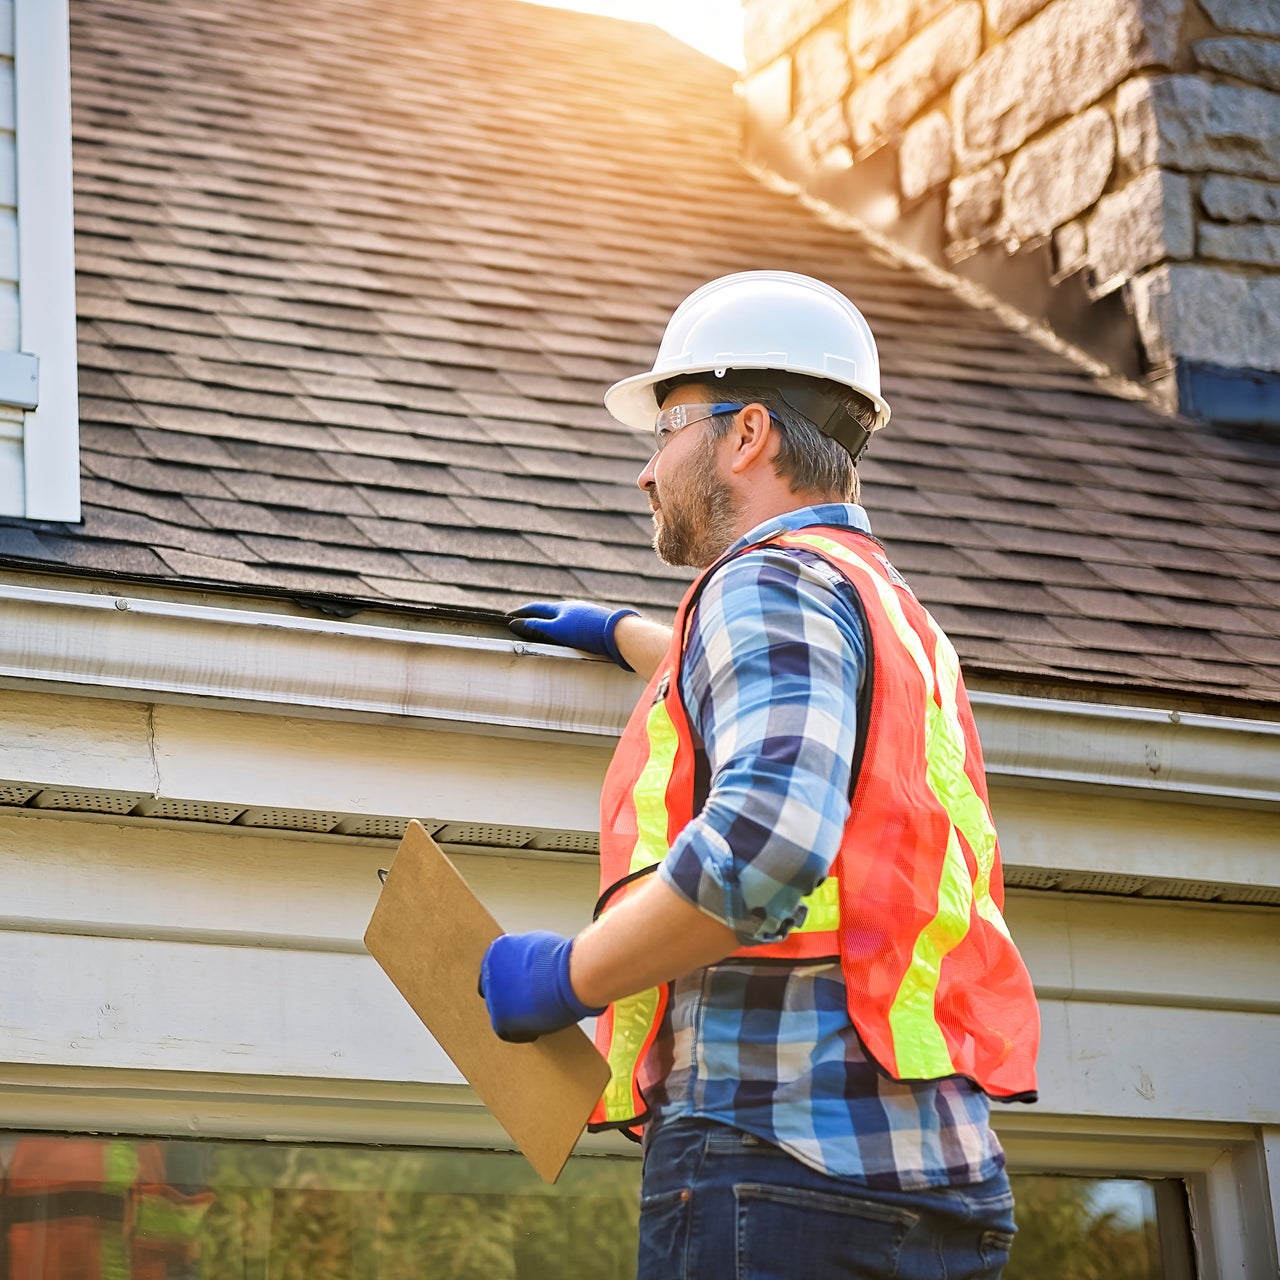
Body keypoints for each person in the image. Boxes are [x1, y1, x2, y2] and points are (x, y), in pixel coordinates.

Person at [481, 271, 1040, 1278]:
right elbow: (802, 704)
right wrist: (637, 637)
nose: (646, 474)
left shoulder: (763, 581)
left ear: (744, 435)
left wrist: (568, 973)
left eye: (662, 434)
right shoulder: (888, 609)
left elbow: (765, 844)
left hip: (780, 1160)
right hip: (923, 1177)